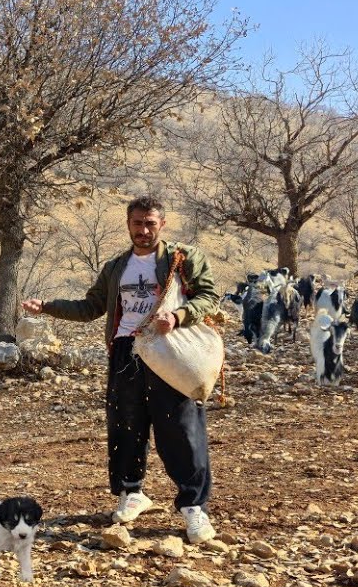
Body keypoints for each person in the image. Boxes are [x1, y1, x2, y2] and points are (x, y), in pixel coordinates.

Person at [21, 196, 219, 544]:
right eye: (137, 223)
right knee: (126, 425)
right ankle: (132, 492)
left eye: (150, 224)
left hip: (170, 351)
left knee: (181, 427)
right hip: (126, 349)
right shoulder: (116, 267)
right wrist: (48, 307)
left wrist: (177, 316)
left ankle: (193, 508)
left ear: (163, 224)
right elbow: (92, 306)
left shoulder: (182, 259)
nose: (143, 230)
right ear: (127, 224)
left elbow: (209, 297)